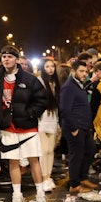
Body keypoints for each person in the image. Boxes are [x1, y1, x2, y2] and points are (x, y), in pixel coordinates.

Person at [0, 45, 49, 202]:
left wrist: (30, 113)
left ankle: (40, 194)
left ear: (16, 59)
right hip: (7, 127)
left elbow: (42, 99)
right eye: (4, 56)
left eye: (10, 57)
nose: (6, 59)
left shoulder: (29, 79)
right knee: (12, 162)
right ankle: (17, 195)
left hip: (27, 127)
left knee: (34, 161)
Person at [59, 60, 96, 195]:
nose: (84, 74)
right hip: (75, 127)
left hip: (84, 126)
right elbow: (64, 109)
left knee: (90, 151)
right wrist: (73, 127)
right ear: (73, 71)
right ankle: (74, 184)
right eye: (81, 71)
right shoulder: (69, 87)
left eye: (85, 71)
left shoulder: (79, 85)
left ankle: (82, 177)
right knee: (76, 155)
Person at [36, 58, 61, 192]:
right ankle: (43, 178)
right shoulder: (39, 82)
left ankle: (48, 177)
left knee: (51, 150)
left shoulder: (56, 82)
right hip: (42, 118)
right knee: (43, 150)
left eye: (52, 66)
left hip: (53, 117)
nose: (50, 69)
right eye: (47, 66)